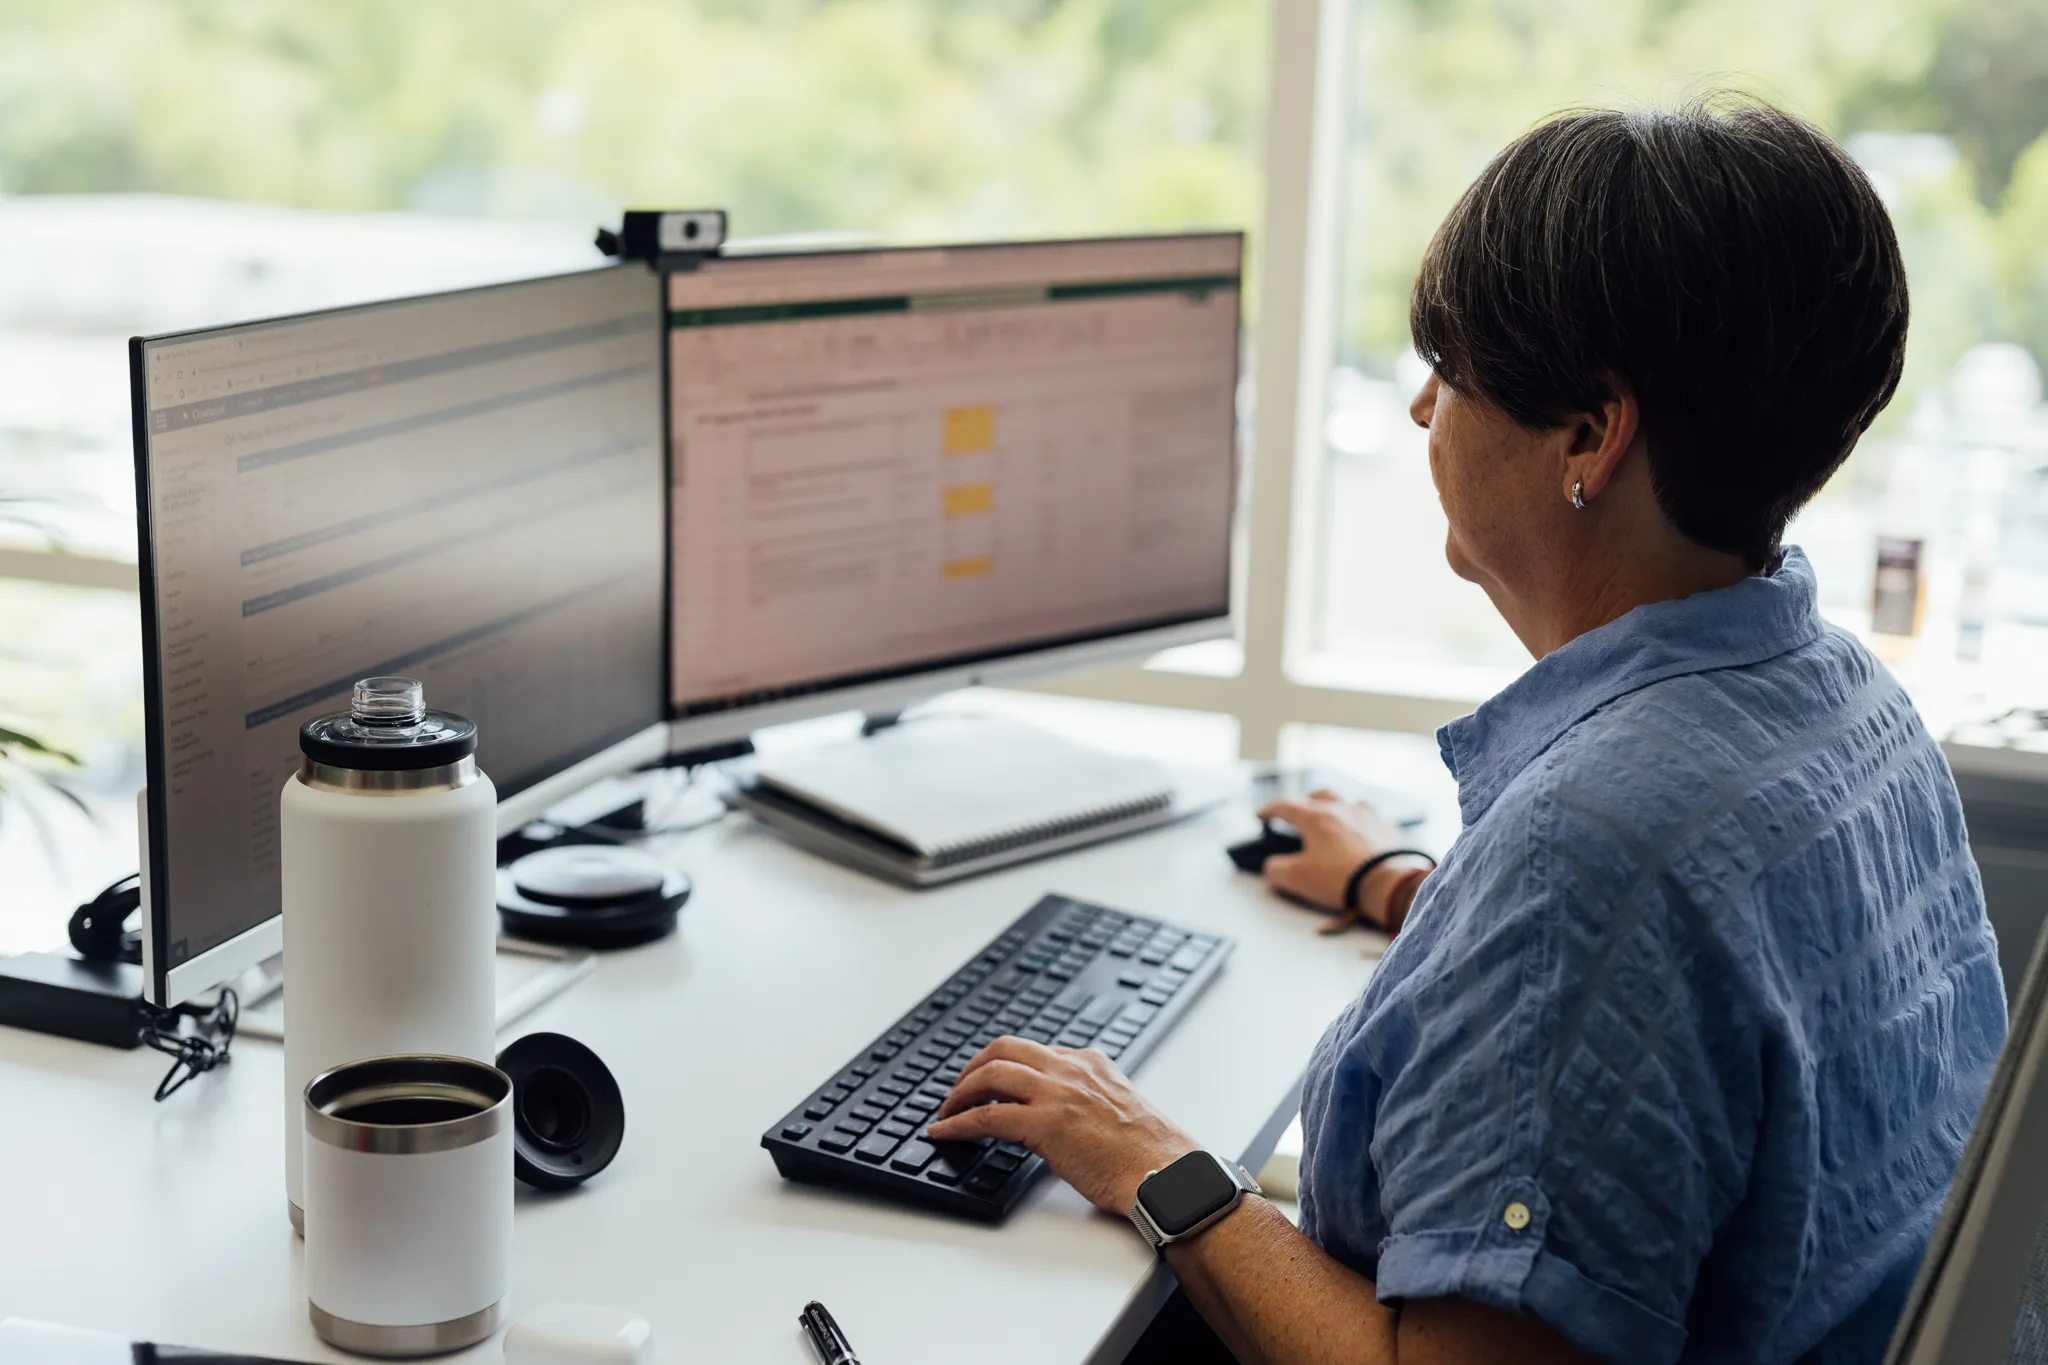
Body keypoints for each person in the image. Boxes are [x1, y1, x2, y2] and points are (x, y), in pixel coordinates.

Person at [927, 96, 2009, 1365]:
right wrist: (1415, 895)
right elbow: (1701, 1009)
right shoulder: (1836, 697)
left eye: (1448, 371)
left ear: (1589, 437)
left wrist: (1153, 1163)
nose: (1419, 410)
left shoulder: (1591, 856)